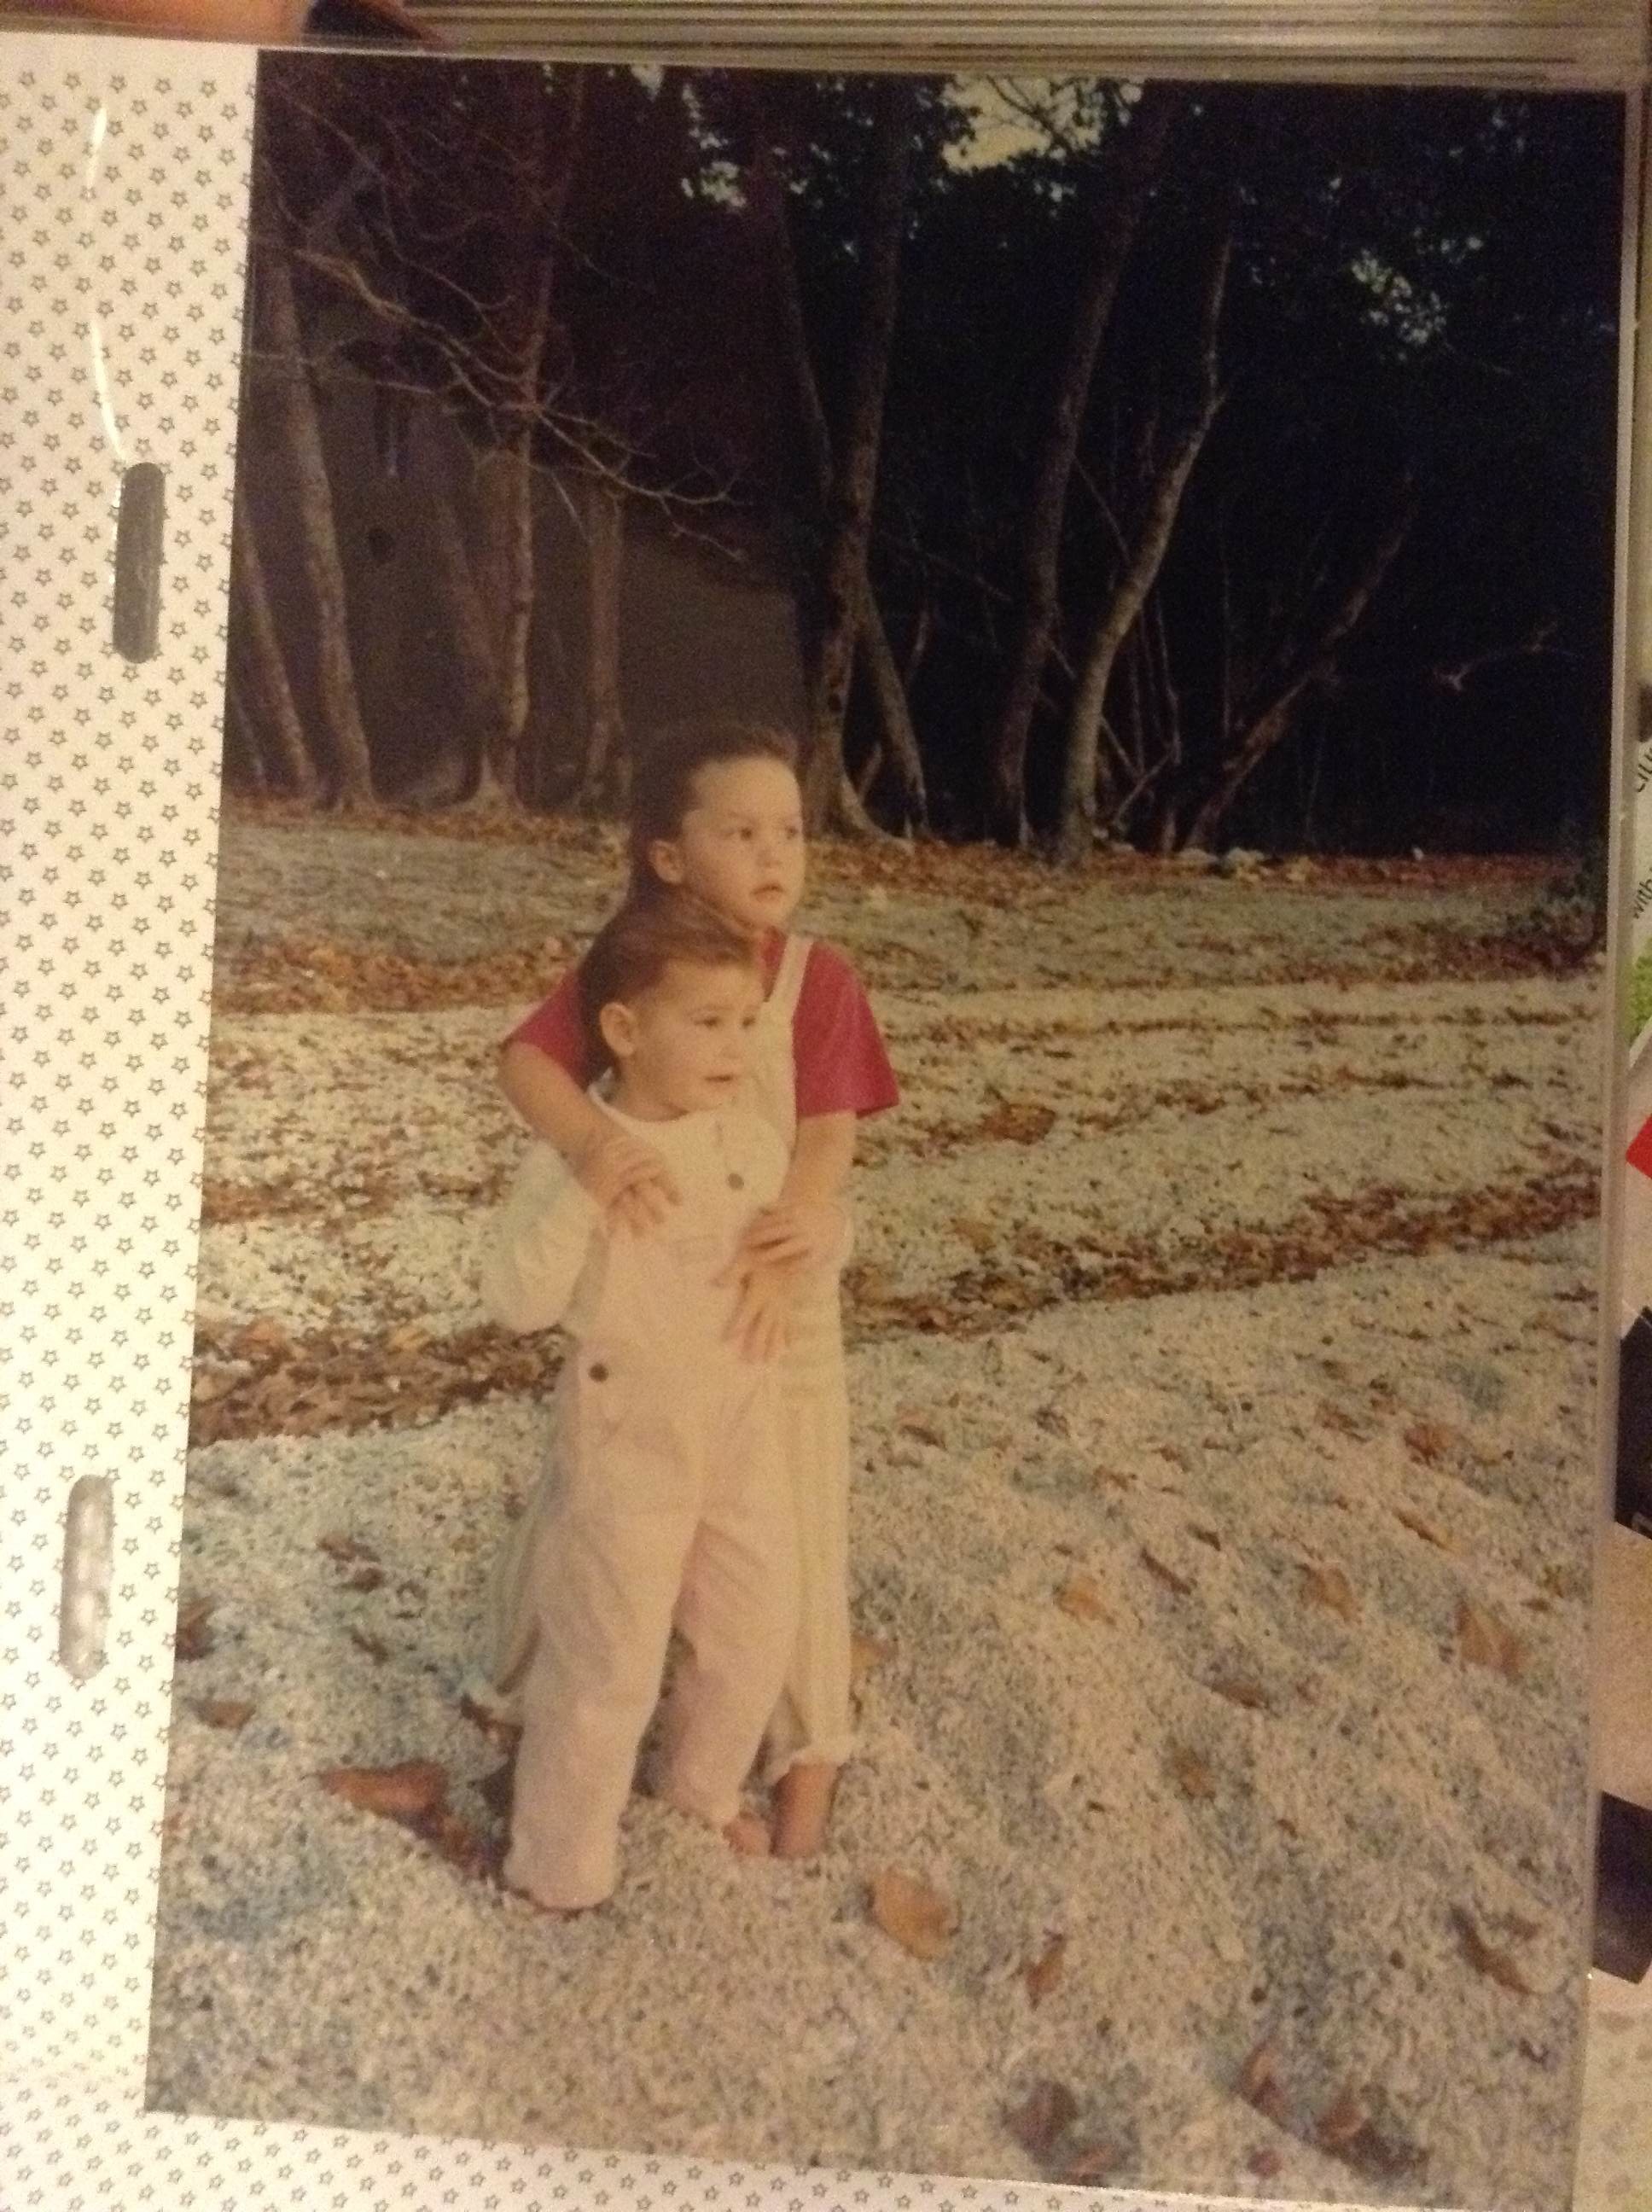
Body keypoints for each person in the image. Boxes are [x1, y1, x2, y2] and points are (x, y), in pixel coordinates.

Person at [497, 719, 899, 1859]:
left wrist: (800, 1229)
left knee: (788, 1517)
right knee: (593, 1511)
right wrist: (593, 1146)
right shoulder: (635, 965)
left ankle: (804, 1742)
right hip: (652, 1300)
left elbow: (825, 1134)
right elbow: (526, 1063)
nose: (775, 854)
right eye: (741, 832)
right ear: (669, 856)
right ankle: (520, 1696)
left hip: (771, 1279)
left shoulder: (817, 976)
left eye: (791, 832)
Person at [480, 894, 826, 1913]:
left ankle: (698, 1789)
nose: (734, 1047)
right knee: (609, 1655)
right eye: (706, 1022)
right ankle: (558, 1862)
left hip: (741, 1428)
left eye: (746, 1022)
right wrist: (585, 1190)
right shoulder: (580, 1154)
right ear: (625, 1031)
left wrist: (811, 1245)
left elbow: (802, 1236)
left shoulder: (746, 1141)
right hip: (626, 1436)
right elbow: (514, 1302)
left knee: (754, 1624)